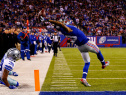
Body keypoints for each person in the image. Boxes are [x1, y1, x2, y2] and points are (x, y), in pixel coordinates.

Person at [41, 17, 110, 86]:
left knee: (87, 62)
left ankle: (84, 79)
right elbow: (59, 23)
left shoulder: (63, 31)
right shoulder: (67, 29)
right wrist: (49, 20)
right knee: (98, 51)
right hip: (86, 43)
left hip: (80, 47)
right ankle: (103, 64)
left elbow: (58, 24)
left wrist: (49, 21)